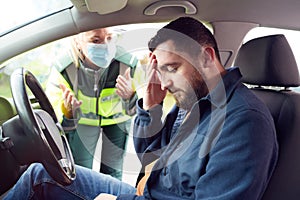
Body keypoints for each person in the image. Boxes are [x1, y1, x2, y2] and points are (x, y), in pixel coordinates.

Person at [4, 16, 278, 200]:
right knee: (40, 174)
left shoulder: (244, 121)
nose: (165, 81)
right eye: (161, 70)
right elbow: (150, 155)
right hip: (144, 194)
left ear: (206, 57)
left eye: (172, 68)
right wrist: (150, 107)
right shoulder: (195, 101)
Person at [46, 27, 139, 180]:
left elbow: (145, 105)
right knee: (81, 171)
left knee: (113, 173)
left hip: (118, 120)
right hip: (83, 121)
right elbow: (54, 111)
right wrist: (69, 113)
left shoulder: (128, 63)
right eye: (96, 40)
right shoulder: (63, 68)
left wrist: (131, 96)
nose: (106, 45)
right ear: (78, 41)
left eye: (109, 38)